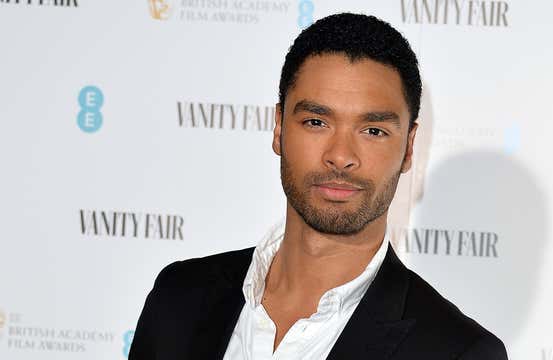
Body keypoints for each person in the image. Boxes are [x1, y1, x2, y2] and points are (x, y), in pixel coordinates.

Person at [129, 13, 508, 360]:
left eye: (373, 130)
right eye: (316, 122)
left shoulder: (457, 352)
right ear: (279, 127)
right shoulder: (179, 297)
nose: (341, 156)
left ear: (409, 148)